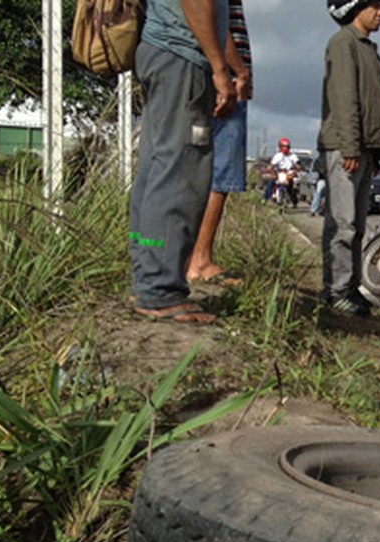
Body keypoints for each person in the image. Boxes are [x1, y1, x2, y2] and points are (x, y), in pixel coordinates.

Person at [129, 0, 235, 324]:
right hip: (182, 56)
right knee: (180, 172)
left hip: (163, 52)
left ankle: (148, 281)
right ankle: (160, 291)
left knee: (157, 167)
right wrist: (219, 68)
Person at [318, 0, 380, 316]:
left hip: (364, 148)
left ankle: (349, 288)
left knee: (359, 225)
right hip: (344, 146)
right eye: (375, 6)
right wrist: (350, 147)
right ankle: (335, 290)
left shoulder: (368, 48)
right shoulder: (342, 43)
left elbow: (374, 104)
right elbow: (344, 98)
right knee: (343, 224)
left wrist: (378, 151)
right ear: (355, 7)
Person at [187, 0, 252, 286]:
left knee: (202, 171)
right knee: (221, 172)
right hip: (224, 80)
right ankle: (199, 259)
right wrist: (237, 70)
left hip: (216, 74)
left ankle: (192, 257)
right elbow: (214, 19)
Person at [269, 137, 300, 204]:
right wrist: (272, 173)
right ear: (280, 147)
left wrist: (294, 172)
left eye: (287, 146)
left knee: (291, 186)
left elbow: (298, 165)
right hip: (279, 173)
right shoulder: (277, 156)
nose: (285, 148)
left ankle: (293, 199)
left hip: (288, 173)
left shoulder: (292, 156)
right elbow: (271, 165)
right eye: (284, 146)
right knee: (271, 183)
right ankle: (266, 198)